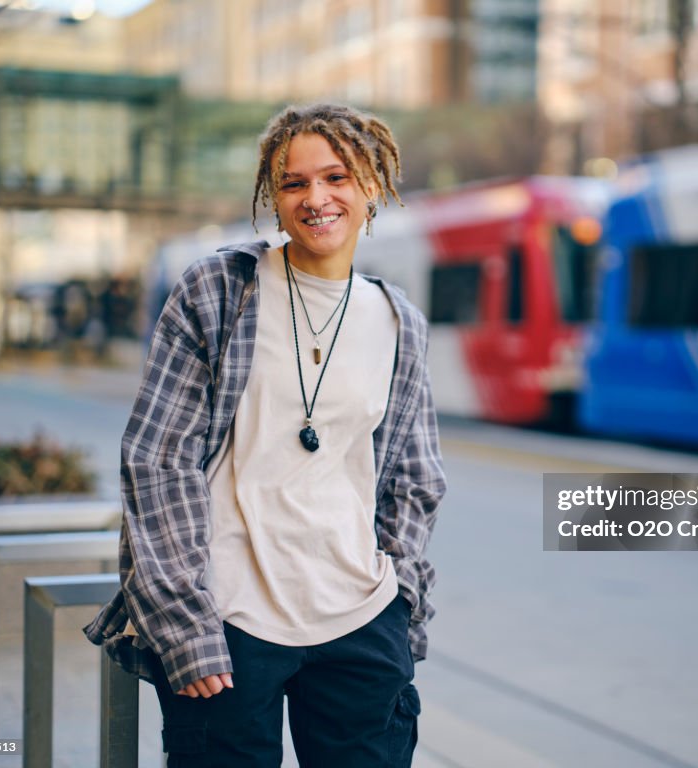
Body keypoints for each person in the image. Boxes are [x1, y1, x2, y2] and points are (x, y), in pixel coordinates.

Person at [84, 103, 446, 767]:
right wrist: (184, 626)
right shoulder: (218, 293)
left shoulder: (399, 322)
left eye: (336, 177)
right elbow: (157, 462)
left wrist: (400, 604)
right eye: (293, 183)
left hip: (360, 619)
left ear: (372, 186)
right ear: (272, 199)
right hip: (229, 624)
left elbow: (414, 479)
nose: (316, 198)